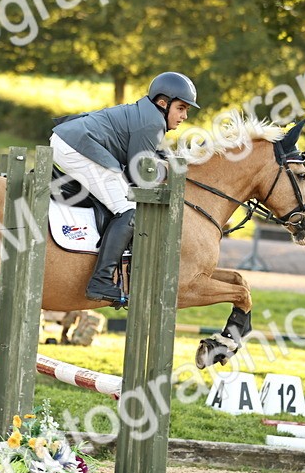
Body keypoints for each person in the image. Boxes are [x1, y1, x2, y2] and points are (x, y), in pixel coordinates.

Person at [50, 71, 198, 306]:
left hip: (70, 141)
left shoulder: (148, 116)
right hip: (75, 147)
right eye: (181, 108)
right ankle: (100, 280)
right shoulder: (152, 122)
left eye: (186, 110)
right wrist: (169, 173)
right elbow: (139, 175)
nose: (184, 116)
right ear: (163, 103)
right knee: (129, 209)